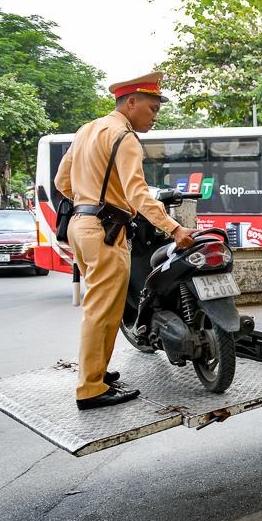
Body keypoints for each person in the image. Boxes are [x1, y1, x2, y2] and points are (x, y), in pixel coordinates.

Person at [55, 73, 198, 411]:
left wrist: (91, 199)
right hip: (104, 230)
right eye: (151, 107)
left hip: (80, 225)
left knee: (101, 306)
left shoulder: (86, 131)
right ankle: (91, 389)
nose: (155, 114)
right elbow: (137, 192)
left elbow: (62, 181)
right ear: (130, 102)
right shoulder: (124, 136)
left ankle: (97, 374)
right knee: (102, 311)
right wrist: (174, 228)